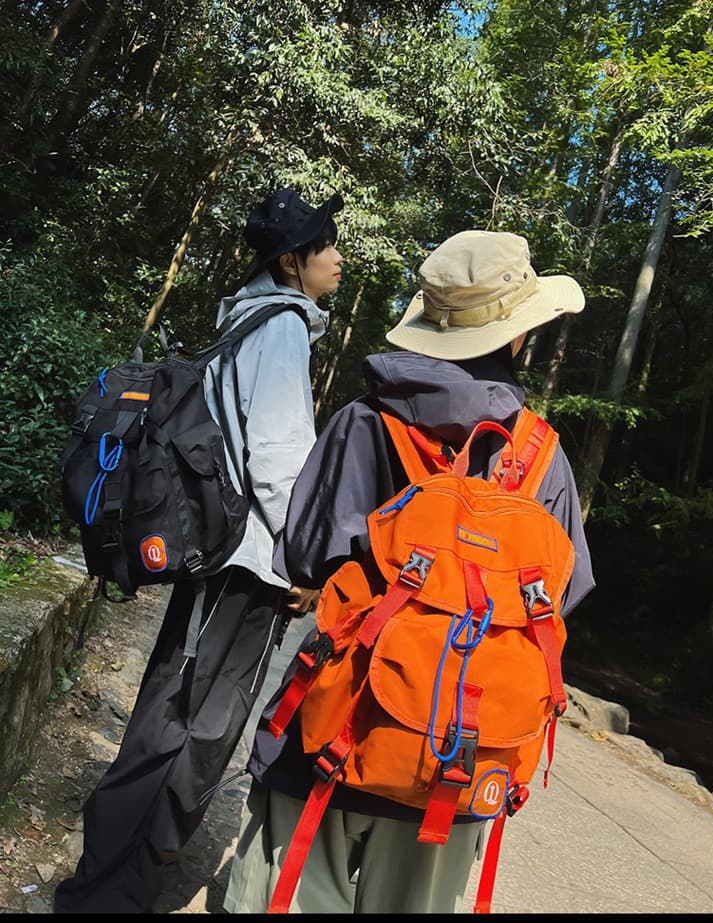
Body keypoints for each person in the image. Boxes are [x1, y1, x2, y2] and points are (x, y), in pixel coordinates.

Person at [223, 228, 597, 915]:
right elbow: (562, 595)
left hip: (331, 732)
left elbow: (301, 556)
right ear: (516, 336)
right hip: (460, 756)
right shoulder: (544, 459)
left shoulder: (365, 421)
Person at [53, 186, 345, 914]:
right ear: (292, 260)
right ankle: (106, 888)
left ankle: (130, 873)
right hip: (246, 561)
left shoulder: (251, 319)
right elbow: (280, 461)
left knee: (186, 712)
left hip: (229, 555)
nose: (339, 258)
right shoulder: (277, 329)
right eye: (328, 246)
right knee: (185, 718)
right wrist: (309, 561)